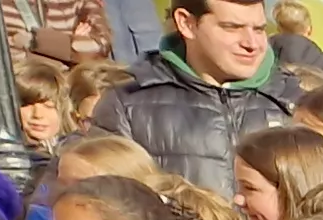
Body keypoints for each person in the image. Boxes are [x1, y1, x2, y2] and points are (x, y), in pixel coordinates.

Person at [92, 0, 301, 195]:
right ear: (186, 23)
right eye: (232, 27)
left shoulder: (295, 100)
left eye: (259, 29)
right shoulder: (126, 105)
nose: (251, 44)